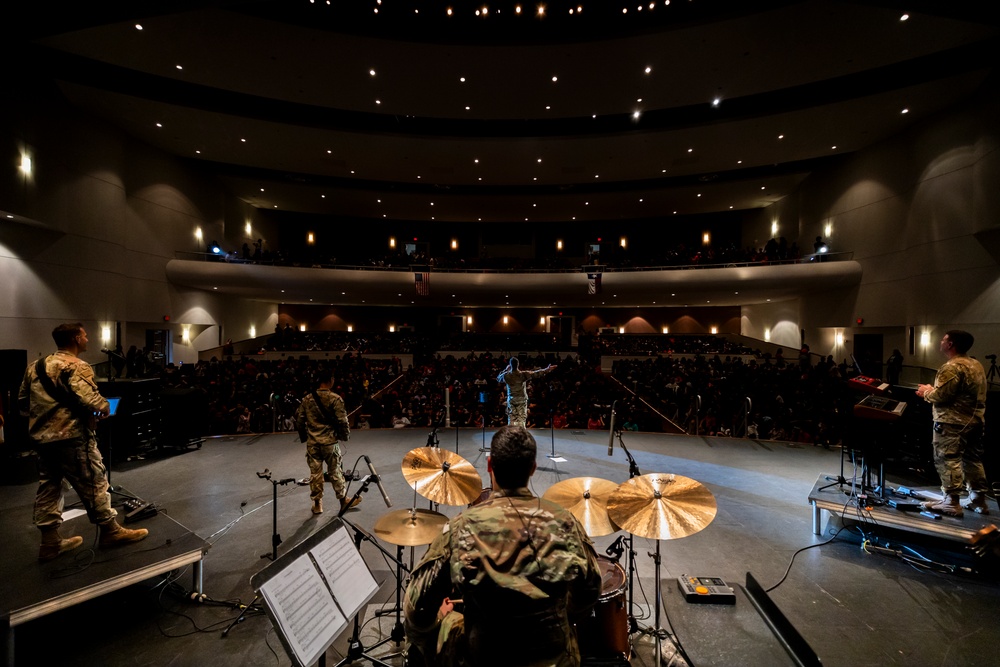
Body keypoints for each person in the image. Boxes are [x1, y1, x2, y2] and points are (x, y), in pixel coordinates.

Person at [404, 426, 602, 667]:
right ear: (533, 468)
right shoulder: (565, 522)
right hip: (554, 658)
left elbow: (417, 611)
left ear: (490, 465)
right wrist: (564, 615)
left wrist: (437, 625)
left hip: (485, 656)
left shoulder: (461, 528)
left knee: (438, 628)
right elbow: (590, 588)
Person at [19, 323, 149, 562]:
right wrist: (102, 408)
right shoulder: (77, 366)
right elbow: (93, 401)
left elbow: (23, 404)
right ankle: (110, 532)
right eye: (85, 335)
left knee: (49, 486)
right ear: (76, 338)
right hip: (72, 438)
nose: (87, 338)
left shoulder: (34, 367)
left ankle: (50, 543)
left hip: (42, 440)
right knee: (94, 481)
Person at [915, 330, 989, 516]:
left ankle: (951, 501)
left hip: (952, 423)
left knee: (948, 460)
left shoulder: (951, 367)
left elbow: (942, 396)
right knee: (973, 460)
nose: (941, 341)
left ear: (950, 344)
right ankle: (978, 500)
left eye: (944, 339)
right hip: (975, 421)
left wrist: (926, 391)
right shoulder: (976, 364)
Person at [295, 368, 357, 514]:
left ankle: (317, 505)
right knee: (335, 471)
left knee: (315, 474)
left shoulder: (307, 399)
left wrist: (305, 437)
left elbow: (299, 421)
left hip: (313, 443)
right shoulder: (335, 399)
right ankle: (343, 501)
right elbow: (343, 421)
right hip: (329, 442)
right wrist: (344, 436)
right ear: (330, 380)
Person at [496, 357, 555, 427]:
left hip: (511, 399)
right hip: (521, 399)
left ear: (510, 365)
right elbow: (536, 374)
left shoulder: (506, 375)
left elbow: (498, 378)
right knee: (521, 418)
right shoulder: (523, 374)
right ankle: (522, 434)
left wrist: (506, 370)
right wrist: (547, 369)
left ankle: (511, 434)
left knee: (511, 418)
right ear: (518, 364)